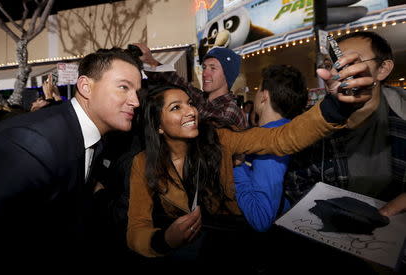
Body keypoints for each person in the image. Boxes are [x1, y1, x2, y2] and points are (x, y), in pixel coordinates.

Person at [126, 64, 373, 270]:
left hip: (234, 242)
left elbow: (280, 138)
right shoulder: (143, 162)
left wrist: (335, 107)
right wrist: (164, 240)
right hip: (183, 252)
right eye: (176, 108)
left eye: (190, 103)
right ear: (158, 126)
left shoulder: (221, 139)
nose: (191, 111)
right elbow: (137, 227)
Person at [0, 47, 142, 275]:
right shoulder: (34, 143)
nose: (135, 101)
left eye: (137, 91)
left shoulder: (89, 137)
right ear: (85, 87)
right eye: (124, 87)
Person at [278, 31, 405, 275]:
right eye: (331, 64)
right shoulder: (311, 125)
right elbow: (295, 185)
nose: (340, 71)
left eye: (351, 62)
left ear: (383, 69)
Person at [233, 64, 309, 232]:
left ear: (264, 96)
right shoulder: (291, 130)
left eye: (259, 89)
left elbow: (260, 218)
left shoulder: (269, 141)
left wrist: (237, 166)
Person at [134, 43, 248, 129]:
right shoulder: (201, 98)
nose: (205, 73)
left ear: (227, 75)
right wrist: (151, 62)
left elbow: (207, 126)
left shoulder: (231, 110)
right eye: (204, 67)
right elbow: (177, 81)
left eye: (213, 68)